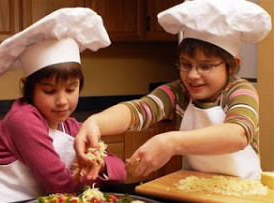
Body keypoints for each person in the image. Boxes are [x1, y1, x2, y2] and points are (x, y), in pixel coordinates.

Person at [75, 0, 272, 181]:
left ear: (232, 66)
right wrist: (96, 123)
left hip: (245, 193)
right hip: (196, 189)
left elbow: (237, 135)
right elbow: (138, 110)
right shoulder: (179, 93)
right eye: (186, 65)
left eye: (205, 66)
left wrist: (170, 142)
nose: (193, 75)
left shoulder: (240, 91)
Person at [0, 8, 126, 203]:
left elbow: (121, 170)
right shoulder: (23, 119)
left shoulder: (70, 127)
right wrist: (97, 175)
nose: (62, 101)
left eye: (71, 89)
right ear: (29, 88)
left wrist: (101, 164)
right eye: (49, 91)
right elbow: (59, 184)